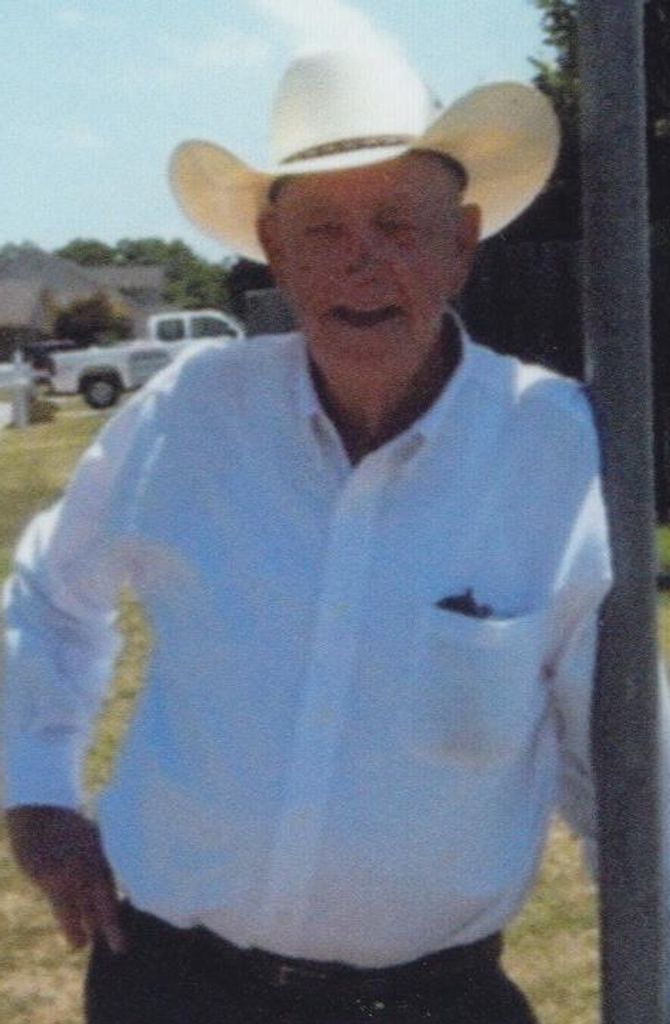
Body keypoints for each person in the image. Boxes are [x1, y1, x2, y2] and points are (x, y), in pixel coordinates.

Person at [3, 46, 613, 1023]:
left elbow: (618, 757)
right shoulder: (190, 415)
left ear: (460, 244)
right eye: (322, 229)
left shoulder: (555, 449)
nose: (361, 261)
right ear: (273, 251)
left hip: (430, 1002)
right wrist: (36, 792)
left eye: (396, 225)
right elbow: (51, 590)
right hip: (172, 989)